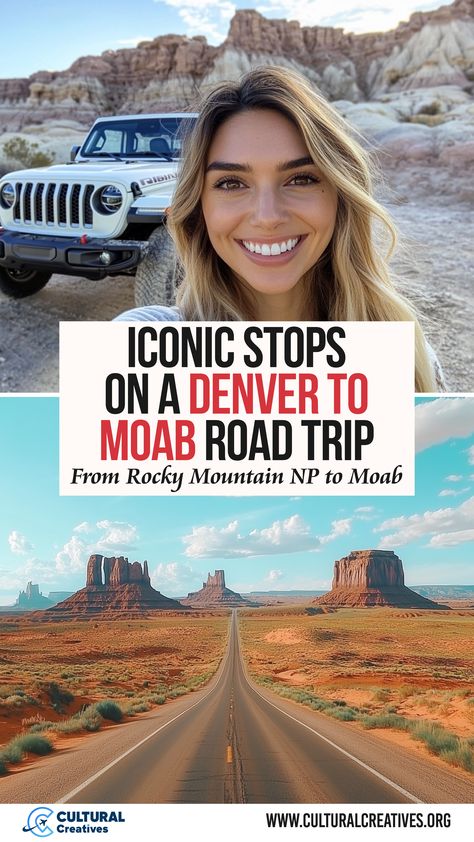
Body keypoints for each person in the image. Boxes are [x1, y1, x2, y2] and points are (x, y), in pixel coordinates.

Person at [116, 65, 445, 392]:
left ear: (340, 197)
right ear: (200, 210)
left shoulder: (409, 360)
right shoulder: (145, 344)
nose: (268, 216)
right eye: (231, 183)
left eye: (301, 178)